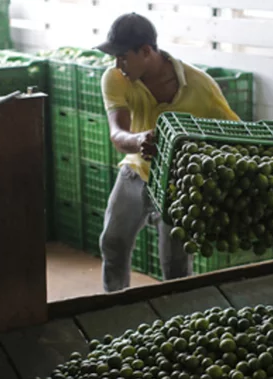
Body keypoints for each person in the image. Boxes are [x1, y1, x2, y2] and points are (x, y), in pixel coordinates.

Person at [95, 12, 240, 292]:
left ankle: (177, 319)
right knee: (112, 243)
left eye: (123, 56)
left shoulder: (201, 86)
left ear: (146, 51)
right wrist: (138, 140)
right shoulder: (115, 78)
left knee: (175, 264)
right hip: (136, 172)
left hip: (179, 184)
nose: (117, 63)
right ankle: (112, 304)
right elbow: (117, 133)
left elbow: (232, 134)